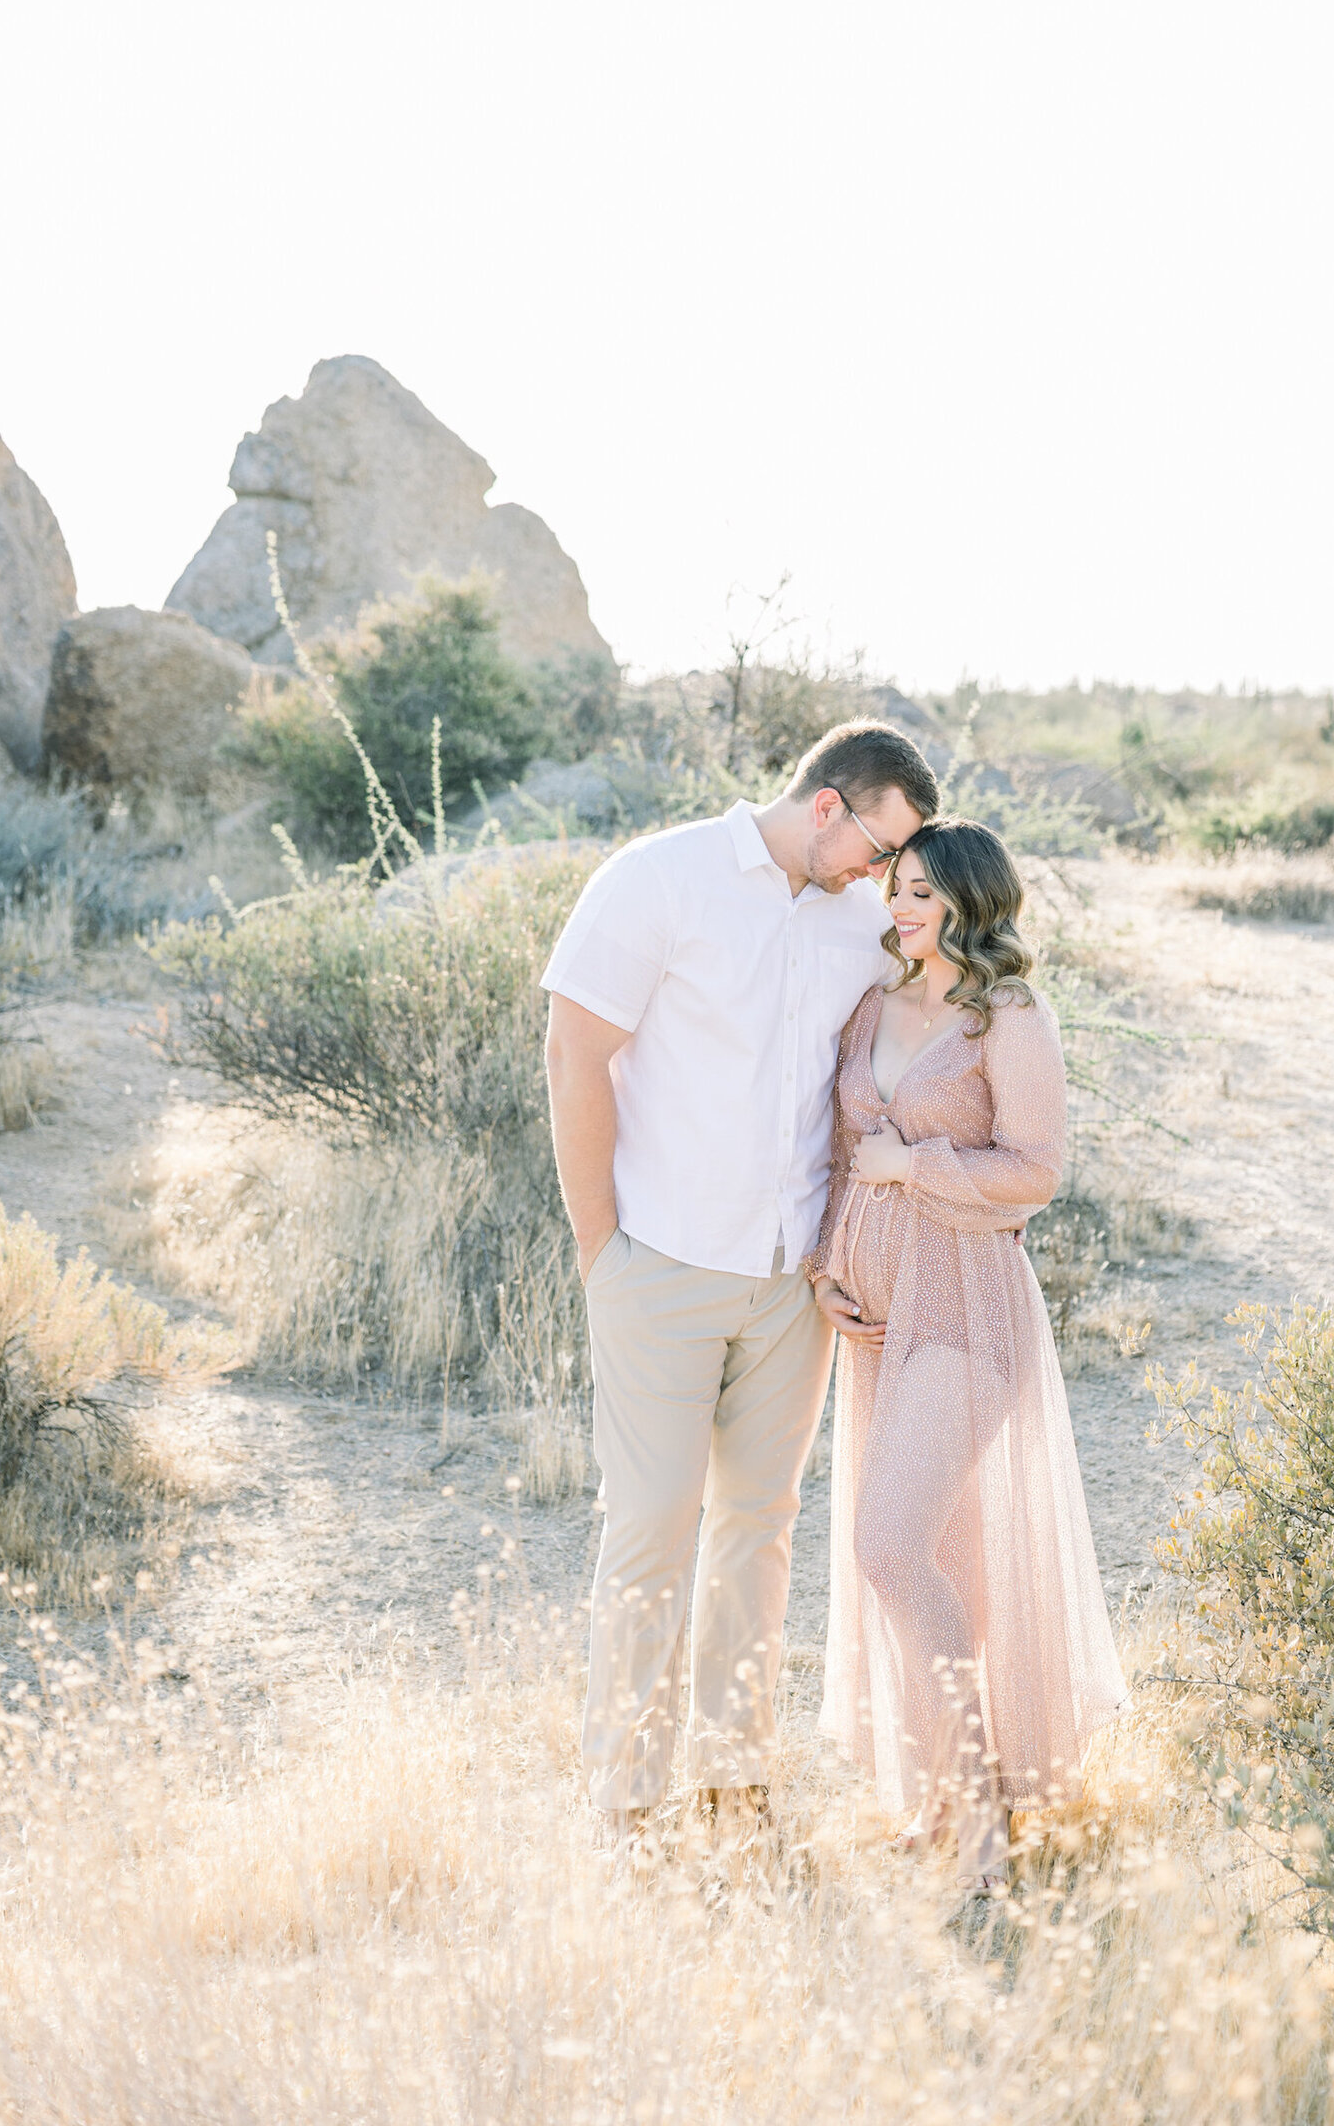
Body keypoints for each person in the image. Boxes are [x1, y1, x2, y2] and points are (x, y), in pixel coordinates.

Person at [541, 720, 940, 1839]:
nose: (879, 876)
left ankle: (733, 1780)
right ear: (826, 806)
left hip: (789, 1281)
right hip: (658, 1261)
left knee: (759, 1526)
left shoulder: (860, 927)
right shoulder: (657, 879)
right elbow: (574, 1051)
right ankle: (624, 1794)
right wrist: (599, 1248)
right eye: (875, 846)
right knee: (654, 1522)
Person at [809, 818, 1127, 1893]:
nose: (901, 910)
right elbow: (847, 1157)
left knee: (890, 1546)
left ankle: (987, 1817)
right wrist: (826, 1269)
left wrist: (918, 1170)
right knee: (944, 1559)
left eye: (925, 896)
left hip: (967, 1313)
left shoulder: (1007, 1017)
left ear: (970, 904)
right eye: (896, 890)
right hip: (878, 1321)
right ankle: (940, 1797)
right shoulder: (869, 1007)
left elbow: (1033, 1172)